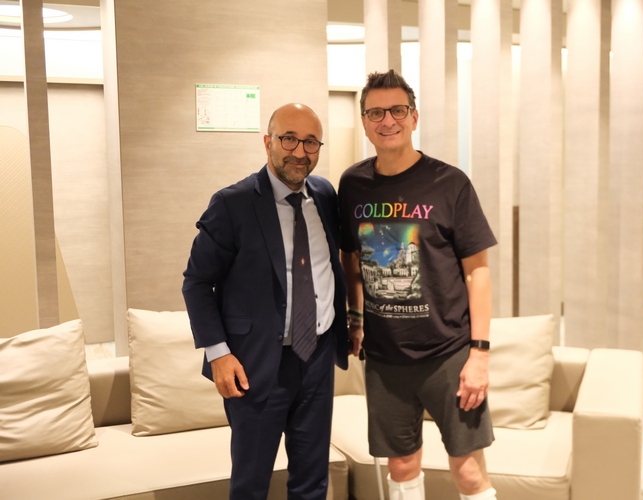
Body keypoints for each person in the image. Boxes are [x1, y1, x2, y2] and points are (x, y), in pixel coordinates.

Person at [338, 70, 498, 500]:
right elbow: (350, 256)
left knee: (468, 470)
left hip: (449, 352)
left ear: (414, 117)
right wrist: (355, 318)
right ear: (364, 121)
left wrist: (479, 354)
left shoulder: (450, 183)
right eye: (376, 112)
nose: (387, 120)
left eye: (397, 110)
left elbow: (477, 272)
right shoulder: (352, 184)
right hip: (386, 357)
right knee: (402, 465)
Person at [182, 103, 349, 499]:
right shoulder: (233, 204)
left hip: (317, 358)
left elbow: (333, 266)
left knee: (312, 480)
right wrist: (218, 354)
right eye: (289, 139)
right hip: (255, 366)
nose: (299, 151)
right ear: (268, 142)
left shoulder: (325, 195)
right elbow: (197, 282)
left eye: (311, 142)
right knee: (251, 484)